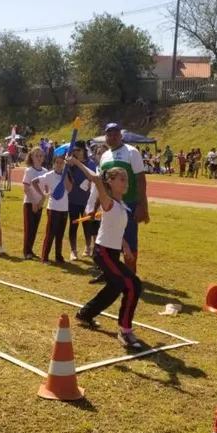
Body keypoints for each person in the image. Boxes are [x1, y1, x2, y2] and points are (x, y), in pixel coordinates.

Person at [67, 156, 143, 349]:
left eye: (127, 179)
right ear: (111, 181)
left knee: (115, 287)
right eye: (122, 179)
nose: (126, 183)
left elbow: (118, 229)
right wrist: (76, 162)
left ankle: (85, 315)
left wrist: (126, 247)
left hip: (114, 252)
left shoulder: (122, 206)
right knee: (132, 285)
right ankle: (125, 331)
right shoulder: (107, 201)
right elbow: (94, 178)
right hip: (103, 253)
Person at [99, 123, 148, 273]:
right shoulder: (105, 156)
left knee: (130, 241)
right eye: (109, 134)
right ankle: (109, 273)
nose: (112, 137)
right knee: (109, 239)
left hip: (129, 204)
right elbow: (102, 183)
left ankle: (130, 274)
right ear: (105, 137)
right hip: (110, 206)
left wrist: (142, 205)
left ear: (121, 136)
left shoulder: (131, 152)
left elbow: (140, 180)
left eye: (115, 134)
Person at [32, 153, 73, 264]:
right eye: (57, 163)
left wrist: (64, 176)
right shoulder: (49, 175)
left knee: (60, 235)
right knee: (50, 234)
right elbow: (34, 182)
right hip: (53, 209)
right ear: (53, 164)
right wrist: (43, 194)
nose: (59, 165)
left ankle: (58, 256)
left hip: (64, 208)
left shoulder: (67, 174)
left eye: (62, 163)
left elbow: (69, 189)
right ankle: (44, 257)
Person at [67, 140, 95, 260]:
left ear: (84, 150)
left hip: (86, 200)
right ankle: (73, 250)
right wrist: (69, 166)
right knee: (73, 224)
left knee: (87, 225)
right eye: (73, 150)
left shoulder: (91, 163)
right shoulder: (70, 164)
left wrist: (89, 182)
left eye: (77, 150)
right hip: (72, 199)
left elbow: (93, 176)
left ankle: (88, 246)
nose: (75, 152)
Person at [21, 147, 47, 260]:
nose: (39, 158)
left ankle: (30, 250)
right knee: (29, 227)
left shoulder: (45, 172)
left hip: (39, 204)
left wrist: (41, 201)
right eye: (36, 155)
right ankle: (26, 251)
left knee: (35, 228)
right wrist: (33, 202)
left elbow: (46, 189)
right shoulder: (29, 171)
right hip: (29, 203)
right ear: (32, 157)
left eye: (41, 156)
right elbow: (26, 188)